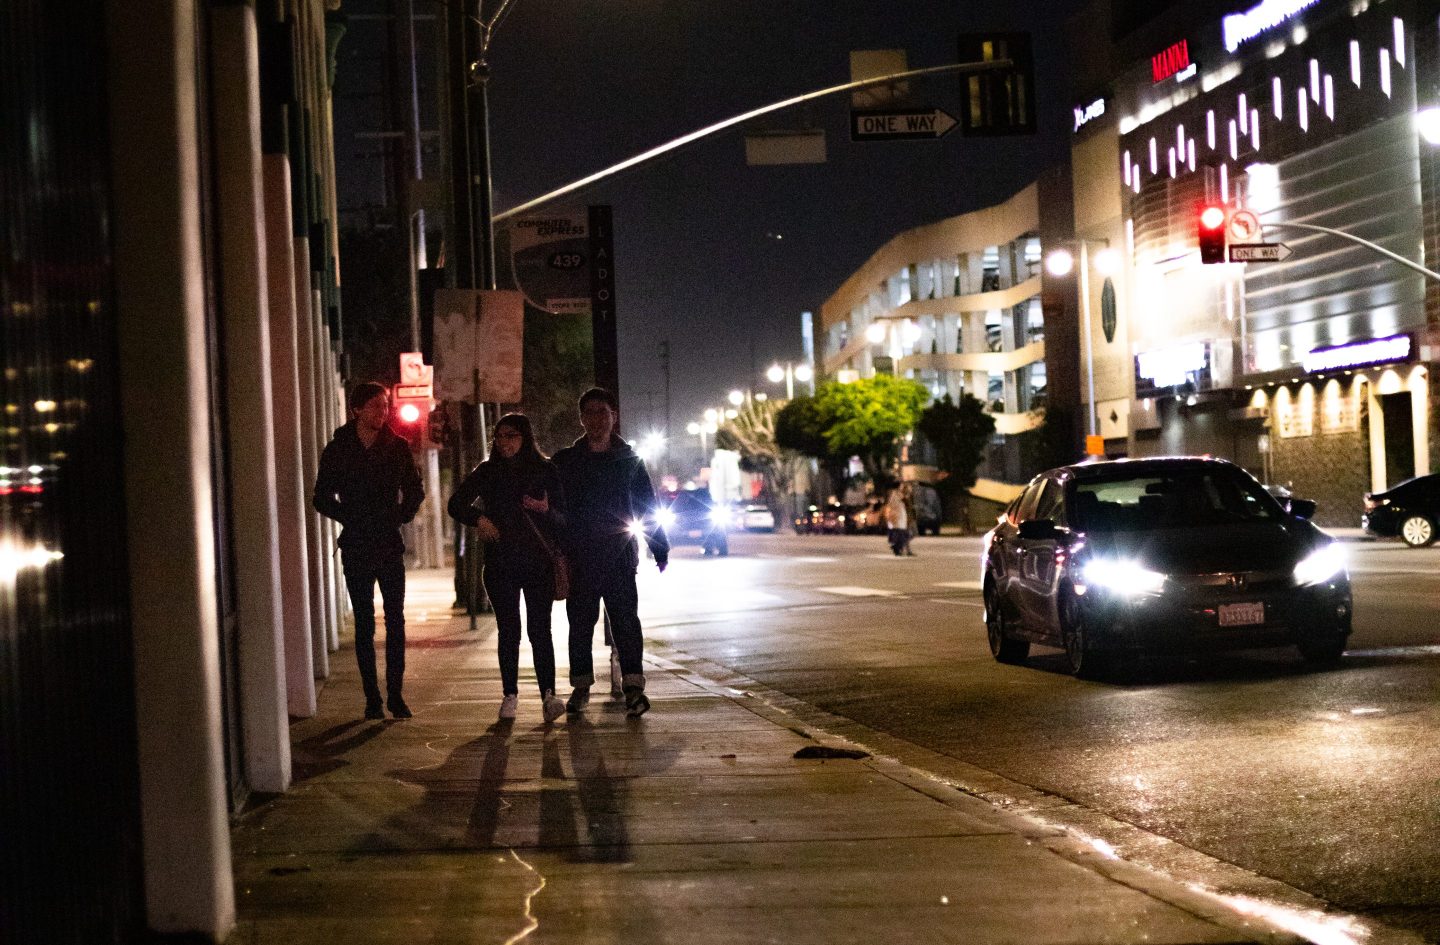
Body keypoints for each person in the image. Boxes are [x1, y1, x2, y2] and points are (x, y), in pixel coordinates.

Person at [553, 387, 669, 718]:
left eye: (602, 412)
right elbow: (554, 504)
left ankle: (634, 689)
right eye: (590, 413)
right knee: (580, 623)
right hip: (581, 557)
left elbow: (648, 505)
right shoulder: (566, 461)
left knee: (626, 623)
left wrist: (659, 547)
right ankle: (581, 686)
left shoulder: (629, 460)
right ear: (581, 419)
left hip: (620, 558)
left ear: (613, 416)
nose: (597, 420)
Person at [313, 382, 425, 720]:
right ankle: (372, 698)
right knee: (364, 623)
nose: (383, 412)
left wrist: (398, 516)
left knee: (395, 620)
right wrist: (350, 518)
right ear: (357, 409)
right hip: (357, 543)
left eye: (386, 406)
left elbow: (414, 492)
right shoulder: (338, 448)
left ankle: (395, 695)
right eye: (376, 406)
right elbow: (321, 497)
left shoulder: (397, 447)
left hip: (389, 542)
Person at [447, 413, 567, 723]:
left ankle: (549, 695)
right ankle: (510, 694)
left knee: (540, 630)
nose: (504, 442)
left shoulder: (545, 470)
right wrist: (479, 519)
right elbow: (456, 503)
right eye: (499, 437)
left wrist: (546, 509)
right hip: (500, 563)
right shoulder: (488, 472)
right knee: (509, 629)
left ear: (525, 437)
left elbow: (564, 518)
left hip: (538, 563)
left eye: (511, 436)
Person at [884, 485, 910, 557]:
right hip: (898, 518)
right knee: (900, 534)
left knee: (899, 534)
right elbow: (905, 502)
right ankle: (897, 548)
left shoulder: (895, 495)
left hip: (898, 518)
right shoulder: (897, 495)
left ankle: (896, 548)